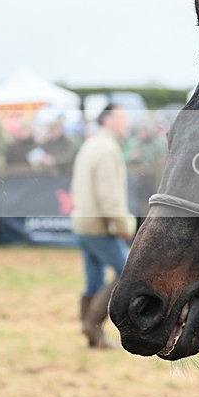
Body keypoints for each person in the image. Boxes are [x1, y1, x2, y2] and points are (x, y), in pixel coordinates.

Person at [70, 103, 135, 349]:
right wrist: (121, 225)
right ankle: (93, 326)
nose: (125, 123)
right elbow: (109, 196)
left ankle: (91, 334)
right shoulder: (107, 149)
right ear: (108, 120)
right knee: (126, 274)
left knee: (93, 282)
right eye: (122, 118)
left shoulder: (90, 144)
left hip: (83, 222)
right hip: (100, 226)